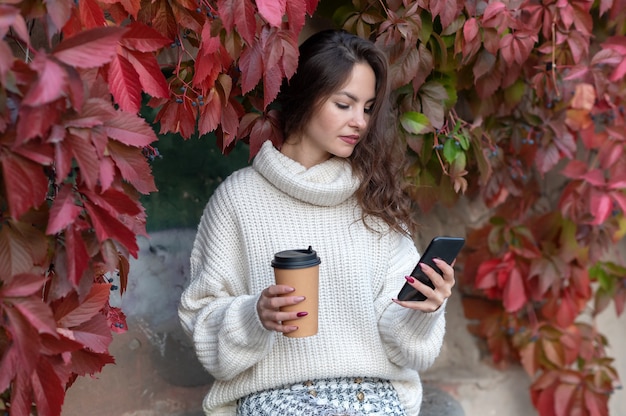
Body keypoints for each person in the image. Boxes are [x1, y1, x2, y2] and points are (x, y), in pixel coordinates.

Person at [178, 29, 455, 416]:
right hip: (277, 396)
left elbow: (407, 346)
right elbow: (204, 322)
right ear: (307, 96)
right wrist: (254, 315)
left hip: (371, 396)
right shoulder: (239, 200)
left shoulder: (375, 201)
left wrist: (424, 309)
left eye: (368, 107)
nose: (359, 121)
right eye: (344, 104)